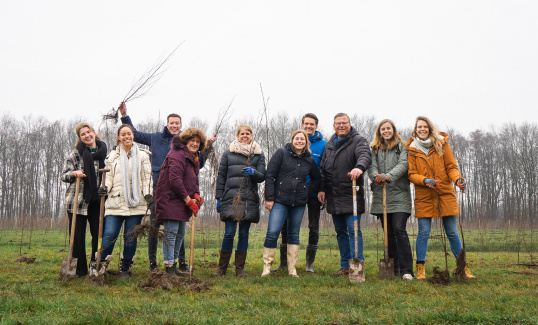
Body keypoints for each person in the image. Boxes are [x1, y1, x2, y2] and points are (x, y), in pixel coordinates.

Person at [119, 103, 215, 273]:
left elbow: (195, 169)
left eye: (177, 123)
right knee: (157, 226)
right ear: (167, 124)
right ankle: (153, 263)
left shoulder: (187, 145)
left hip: (180, 192)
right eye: (171, 122)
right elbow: (134, 134)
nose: (174, 125)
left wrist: (206, 147)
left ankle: (180, 263)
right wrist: (125, 116)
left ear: (181, 126)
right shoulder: (156, 138)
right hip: (158, 189)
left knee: (178, 226)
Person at [405, 116, 475, 279]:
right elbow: (411, 174)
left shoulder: (442, 145)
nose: (422, 129)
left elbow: (451, 166)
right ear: (415, 130)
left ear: (430, 128)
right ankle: (420, 267)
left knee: (452, 232)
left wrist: (457, 179)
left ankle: (463, 268)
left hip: (445, 193)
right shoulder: (412, 150)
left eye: (425, 126)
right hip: (424, 195)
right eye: (419, 127)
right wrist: (425, 180)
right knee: (423, 232)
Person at [318, 113, 372, 277]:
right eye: (338, 123)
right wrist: (322, 189)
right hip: (334, 196)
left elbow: (365, 155)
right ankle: (344, 266)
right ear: (333, 125)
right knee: (340, 231)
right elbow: (323, 169)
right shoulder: (329, 145)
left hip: (351, 194)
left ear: (350, 124)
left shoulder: (359, 140)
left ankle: (357, 265)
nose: (341, 126)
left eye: (344, 123)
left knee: (353, 231)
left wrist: (359, 168)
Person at [261, 130, 320, 278]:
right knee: (273, 231)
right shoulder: (281, 153)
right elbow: (270, 176)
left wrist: (306, 192)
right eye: (297, 139)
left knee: (294, 234)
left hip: (299, 202)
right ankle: (267, 267)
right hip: (280, 200)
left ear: (306, 142)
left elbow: (316, 179)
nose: (299, 141)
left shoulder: (309, 159)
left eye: (302, 139)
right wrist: (269, 198)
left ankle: (292, 269)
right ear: (292, 140)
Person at [272, 113, 326, 273]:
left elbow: (324, 170)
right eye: (306, 124)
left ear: (316, 126)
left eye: (312, 124)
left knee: (313, 226)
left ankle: (309, 264)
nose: (309, 126)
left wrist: (321, 189)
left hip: (314, 193)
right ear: (302, 125)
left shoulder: (324, 145)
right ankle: (284, 263)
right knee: (285, 227)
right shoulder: (293, 144)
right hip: (292, 194)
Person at [98, 124, 152, 278]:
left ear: (133, 135)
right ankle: (100, 265)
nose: (127, 137)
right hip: (116, 202)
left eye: (129, 133)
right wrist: (104, 188)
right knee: (109, 234)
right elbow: (108, 177)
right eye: (123, 134)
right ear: (118, 137)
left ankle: (125, 268)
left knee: (130, 237)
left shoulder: (142, 155)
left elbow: (147, 177)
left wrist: (148, 194)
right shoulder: (112, 156)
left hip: (136, 203)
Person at [212, 124, 266, 277]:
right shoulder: (228, 153)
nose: (245, 136)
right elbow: (221, 176)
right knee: (229, 233)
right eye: (242, 133)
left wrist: (254, 172)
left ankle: (239, 269)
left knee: (244, 234)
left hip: (249, 199)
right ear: (237, 135)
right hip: (230, 198)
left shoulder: (258, 154)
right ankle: (221, 269)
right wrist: (219, 197)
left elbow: (262, 176)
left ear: (251, 135)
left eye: (247, 133)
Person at [155, 128, 207, 276]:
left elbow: (194, 180)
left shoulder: (194, 158)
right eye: (193, 140)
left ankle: (174, 265)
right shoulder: (177, 154)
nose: (195, 143)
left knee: (180, 234)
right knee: (171, 234)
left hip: (182, 201)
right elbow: (175, 180)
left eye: (198, 141)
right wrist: (188, 200)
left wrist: (196, 195)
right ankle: (169, 268)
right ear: (186, 141)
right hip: (170, 198)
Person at [367, 119, 414, 280]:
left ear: (393, 130)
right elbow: (371, 167)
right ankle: (393, 268)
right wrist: (376, 177)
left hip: (399, 195)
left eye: (388, 128)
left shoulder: (402, 148)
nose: (386, 131)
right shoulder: (374, 149)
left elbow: (403, 165)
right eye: (383, 129)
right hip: (382, 196)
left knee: (399, 229)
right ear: (379, 132)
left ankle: (407, 270)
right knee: (389, 233)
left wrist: (388, 176)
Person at [61, 122, 107, 277]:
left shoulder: (104, 154)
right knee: (77, 236)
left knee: (98, 233)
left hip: (97, 200)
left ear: (93, 132)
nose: (87, 136)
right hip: (77, 200)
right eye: (83, 134)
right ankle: (80, 270)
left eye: (88, 132)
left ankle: (95, 265)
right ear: (80, 138)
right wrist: (74, 173)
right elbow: (64, 175)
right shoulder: (75, 154)